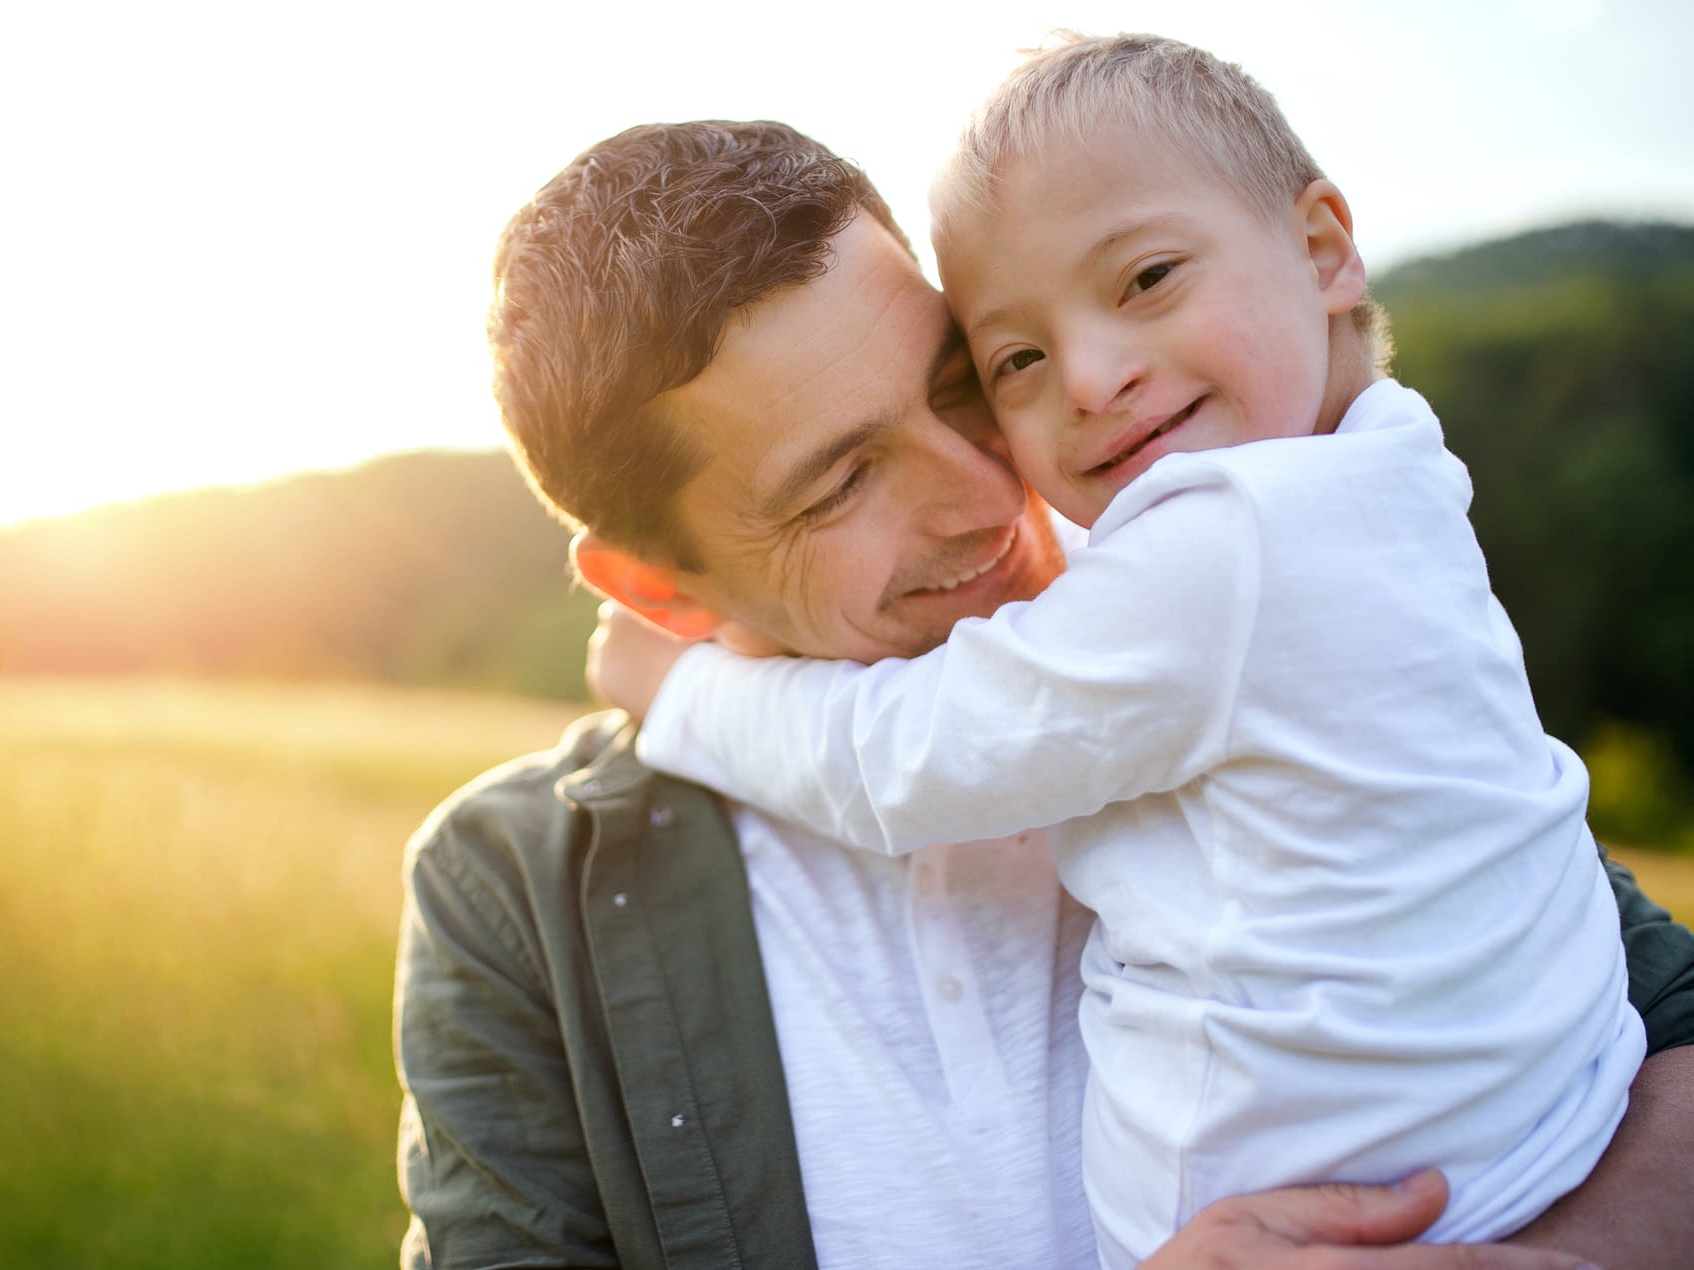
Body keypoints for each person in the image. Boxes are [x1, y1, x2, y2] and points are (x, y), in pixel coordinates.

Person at [394, 115, 1694, 1268]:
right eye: (842, 482)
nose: (983, 497)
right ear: (655, 588)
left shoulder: (1225, 620)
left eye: (963, 381)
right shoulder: (520, 888)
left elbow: (1664, 1012)